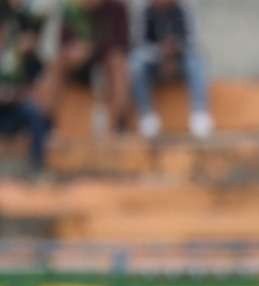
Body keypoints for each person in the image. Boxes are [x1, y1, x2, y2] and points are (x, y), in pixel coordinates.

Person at [46, 0, 130, 134]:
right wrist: (73, 51)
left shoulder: (117, 8)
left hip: (106, 63)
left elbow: (122, 44)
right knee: (58, 61)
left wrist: (92, 48)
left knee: (117, 61)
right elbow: (63, 42)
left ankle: (118, 123)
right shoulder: (72, 8)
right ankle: (49, 122)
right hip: (78, 65)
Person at [130, 0, 209, 139]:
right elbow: (139, 43)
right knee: (136, 62)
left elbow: (193, 42)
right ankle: (147, 117)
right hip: (154, 62)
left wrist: (175, 50)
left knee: (196, 61)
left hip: (180, 61)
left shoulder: (184, 8)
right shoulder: (144, 10)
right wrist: (161, 52)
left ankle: (200, 115)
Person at [0, 14, 50, 171]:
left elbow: (36, 90)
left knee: (34, 112)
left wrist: (15, 94)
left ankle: (36, 165)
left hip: (13, 111)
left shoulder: (29, 60)